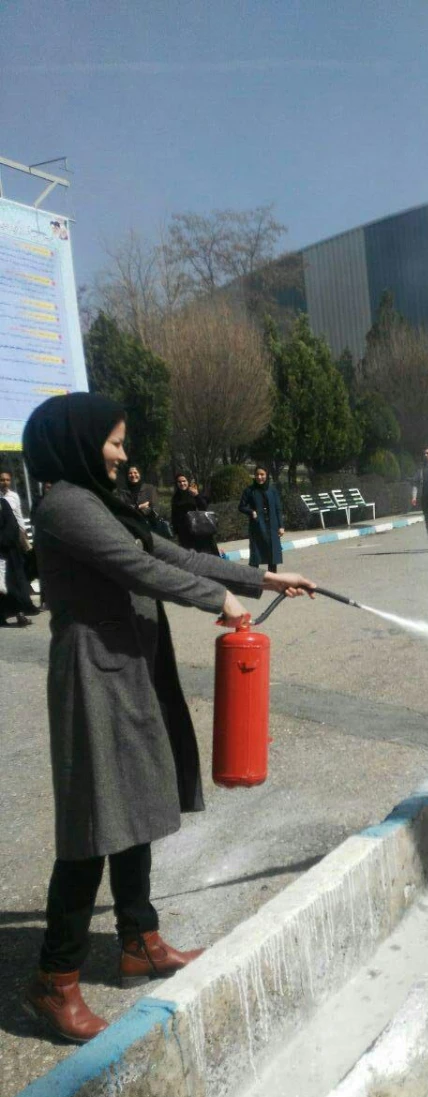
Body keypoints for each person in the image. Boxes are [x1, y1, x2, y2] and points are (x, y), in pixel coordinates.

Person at [20, 392, 316, 1043]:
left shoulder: (101, 501)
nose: (124, 453)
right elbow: (138, 567)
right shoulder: (66, 505)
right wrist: (221, 602)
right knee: (95, 824)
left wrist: (263, 580)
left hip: (132, 665)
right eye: (115, 441)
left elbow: (175, 552)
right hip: (96, 675)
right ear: (76, 440)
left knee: (136, 807)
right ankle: (55, 980)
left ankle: (139, 940)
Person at [239, 466, 284, 572]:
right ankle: (254, 580)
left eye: (262, 474)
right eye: (257, 475)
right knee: (256, 554)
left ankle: (272, 578)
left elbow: (278, 508)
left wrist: (281, 526)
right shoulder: (249, 490)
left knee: (272, 555)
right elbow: (241, 506)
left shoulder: (272, 490)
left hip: (272, 527)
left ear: (266, 475)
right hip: (257, 527)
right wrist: (251, 511)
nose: (259, 477)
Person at [0, 495, 33, 627]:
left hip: (9, 553)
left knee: (15, 586)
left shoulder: (3, 504)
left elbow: (12, 524)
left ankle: (20, 614)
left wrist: (3, 541)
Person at [171, 472, 219, 556]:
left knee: (206, 556)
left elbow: (203, 507)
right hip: (185, 533)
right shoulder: (176, 497)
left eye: (184, 481)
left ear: (188, 481)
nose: (182, 483)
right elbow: (174, 515)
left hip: (200, 531)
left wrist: (196, 495)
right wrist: (176, 531)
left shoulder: (194, 492)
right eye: (179, 482)